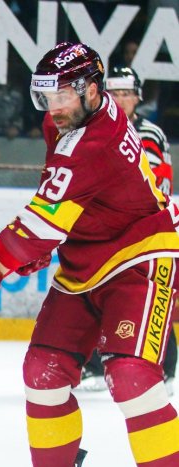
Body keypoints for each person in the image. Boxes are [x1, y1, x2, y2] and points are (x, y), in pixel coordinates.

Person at [0, 42, 179, 467]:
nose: (54, 108)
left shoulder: (97, 139)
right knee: (42, 372)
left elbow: (42, 219)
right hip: (84, 260)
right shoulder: (68, 121)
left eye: (64, 95)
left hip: (139, 257)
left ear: (93, 90)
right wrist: (43, 243)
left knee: (132, 377)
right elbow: (63, 205)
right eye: (47, 97)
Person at [78, 66, 177, 393]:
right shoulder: (95, 127)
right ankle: (94, 366)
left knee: (151, 294)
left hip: (146, 228)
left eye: (127, 94)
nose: (121, 99)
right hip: (108, 228)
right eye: (116, 93)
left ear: (138, 97)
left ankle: (164, 367)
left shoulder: (149, 134)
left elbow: (152, 181)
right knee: (98, 292)